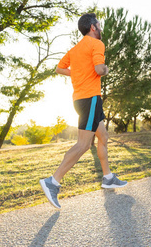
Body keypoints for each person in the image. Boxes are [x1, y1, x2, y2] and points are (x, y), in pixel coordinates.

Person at [39, 13, 127, 209]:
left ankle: (108, 177)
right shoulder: (97, 44)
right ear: (93, 27)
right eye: (99, 24)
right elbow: (99, 69)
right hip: (90, 99)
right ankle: (52, 182)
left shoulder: (75, 49)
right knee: (84, 145)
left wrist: (79, 72)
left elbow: (59, 68)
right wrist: (106, 69)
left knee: (103, 136)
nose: (100, 27)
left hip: (82, 99)